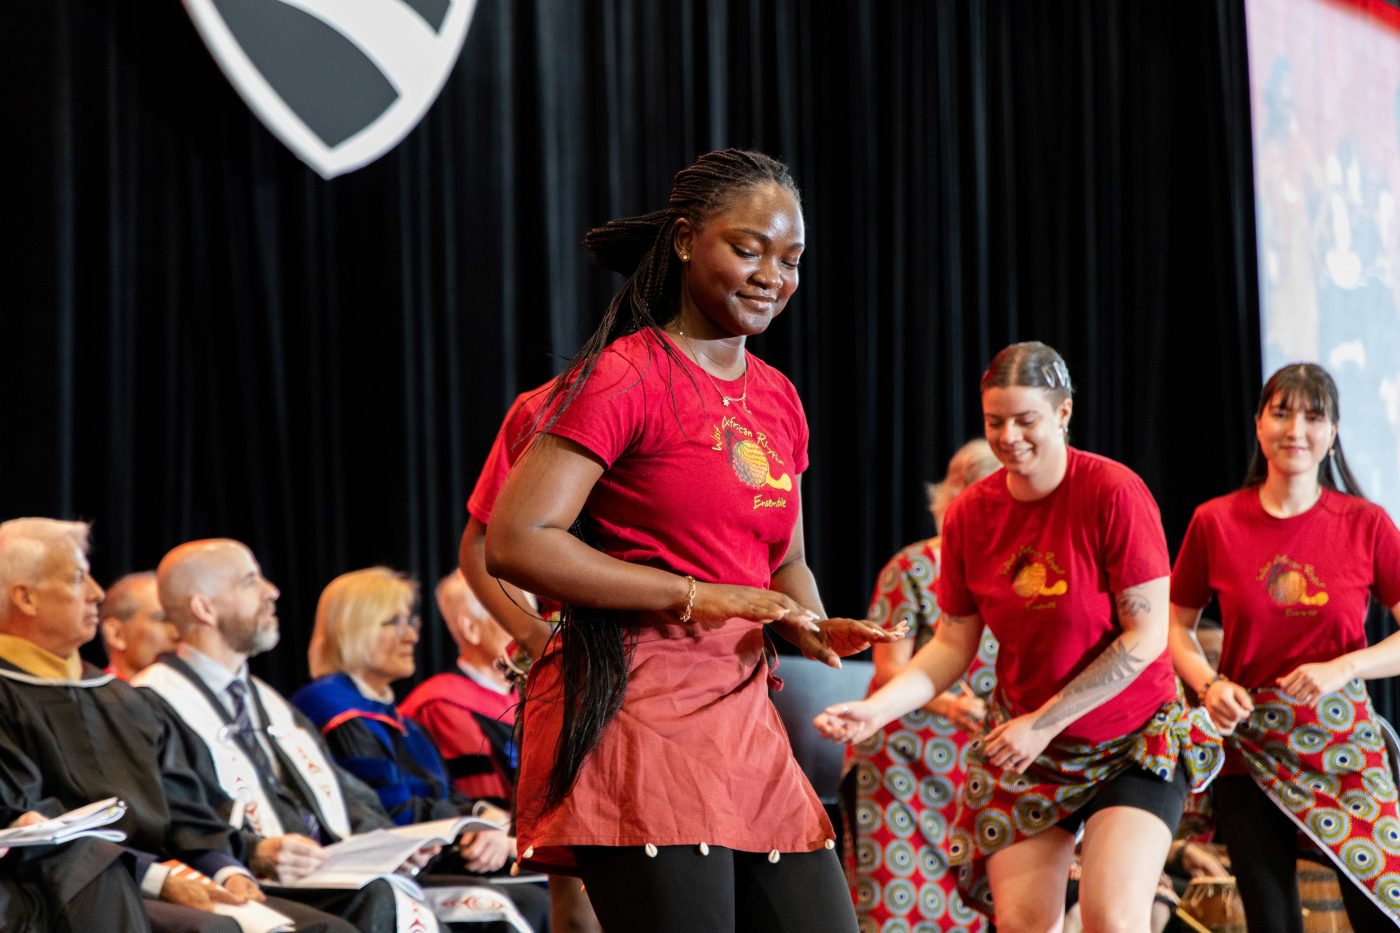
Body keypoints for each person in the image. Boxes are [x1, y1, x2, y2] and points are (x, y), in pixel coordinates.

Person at [484, 148, 898, 933]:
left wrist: (805, 620)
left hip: (742, 718)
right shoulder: (626, 376)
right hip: (637, 717)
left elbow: (785, 559)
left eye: (791, 258)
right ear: (683, 240)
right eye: (748, 248)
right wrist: (699, 596)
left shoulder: (778, 396)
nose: (772, 274)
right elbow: (517, 538)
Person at [815, 341, 1222, 933]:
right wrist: (875, 710)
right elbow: (952, 644)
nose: (1009, 436)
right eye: (994, 421)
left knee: (1112, 918)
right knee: (1025, 924)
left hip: (1130, 739)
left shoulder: (1113, 492)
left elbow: (1147, 635)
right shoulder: (971, 516)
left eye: (1026, 420)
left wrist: (1042, 722)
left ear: (1063, 413)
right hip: (1029, 746)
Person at [0, 518, 354, 933]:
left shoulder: (121, 698)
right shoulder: (8, 695)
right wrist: (156, 877)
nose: (97, 594)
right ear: (25, 598)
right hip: (73, 889)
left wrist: (224, 867)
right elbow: (27, 821)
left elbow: (183, 802)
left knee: (329, 930)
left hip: (161, 876)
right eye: (79, 578)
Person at [1169, 362, 1400, 930]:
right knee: (1272, 923)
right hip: (1251, 748)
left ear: (1333, 432)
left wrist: (1344, 667)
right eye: (1282, 412)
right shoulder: (1215, 521)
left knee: (1382, 913)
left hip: (1343, 745)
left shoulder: (1366, 523)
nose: (1296, 429)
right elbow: (1173, 628)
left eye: (1313, 416)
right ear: (1258, 424)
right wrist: (1210, 684)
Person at [134, 539, 441, 932]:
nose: (272, 591)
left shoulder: (270, 701)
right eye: (250, 582)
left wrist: (390, 846)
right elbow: (176, 815)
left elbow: (345, 793)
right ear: (204, 608)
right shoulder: (153, 701)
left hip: (327, 869)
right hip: (249, 878)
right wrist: (254, 850)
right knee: (379, 898)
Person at [292, 566, 550, 931]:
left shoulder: (400, 720)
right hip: (375, 867)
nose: (412, 635)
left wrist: (480, 817)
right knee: (530, 902)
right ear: (353, 628)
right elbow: (386, 808)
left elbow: (443, 793)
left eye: (411, 621)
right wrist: (470, 826)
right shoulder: (333, 709)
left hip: (432, 856)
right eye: (393, 622)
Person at [844, 438, 1001, 933]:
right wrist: (951, 706)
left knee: (971, 912)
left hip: (977, 767)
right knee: (900, 909)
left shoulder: (1013, 573)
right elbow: (891, 669)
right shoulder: (911, 568)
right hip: (901, 766)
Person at [401, 571, 518, 810]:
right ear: (471, 629)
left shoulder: (528, 694)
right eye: (513, 612)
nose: (529, 625)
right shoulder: (440, 706)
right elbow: (485, 811)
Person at [102, 571, 180, 680]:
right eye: (163, 620)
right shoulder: (89, 696)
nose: (178, 634)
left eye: (180, 621)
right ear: (116, 633)